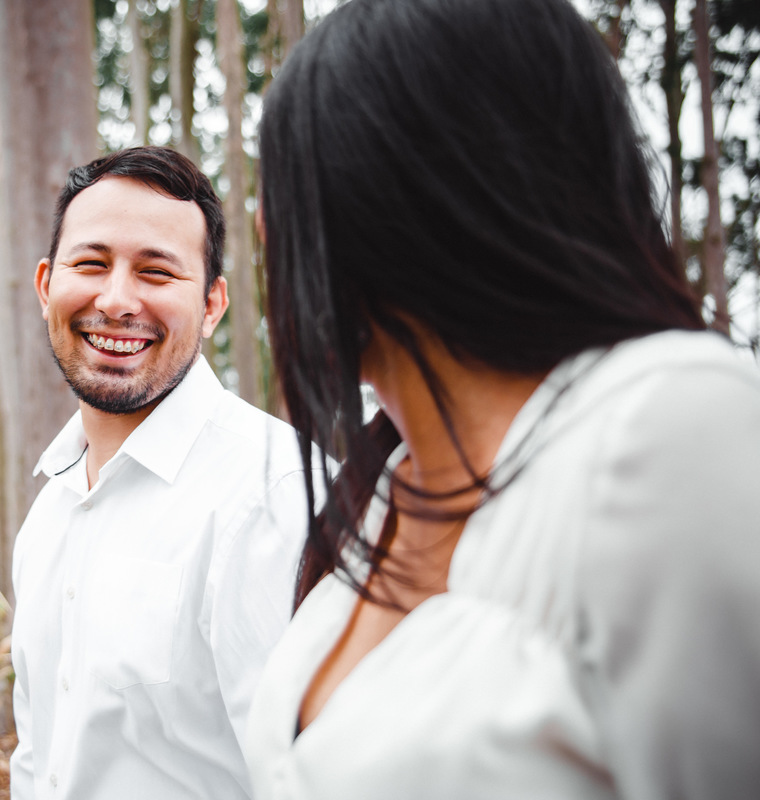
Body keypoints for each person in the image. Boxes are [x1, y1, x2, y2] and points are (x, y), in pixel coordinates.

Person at [245, 0, 760, 798]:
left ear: (395, 196)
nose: (261, 230)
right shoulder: (380, 498)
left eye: (281, 185)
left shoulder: (665, 429)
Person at [9, 146, 314, 800]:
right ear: (45, 286)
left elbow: (315, 777)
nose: (116, 301)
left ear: (211, 305)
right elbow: (37, 762)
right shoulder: (47, 517)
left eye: (156, 272)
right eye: (91, 263)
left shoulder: (274, 492)